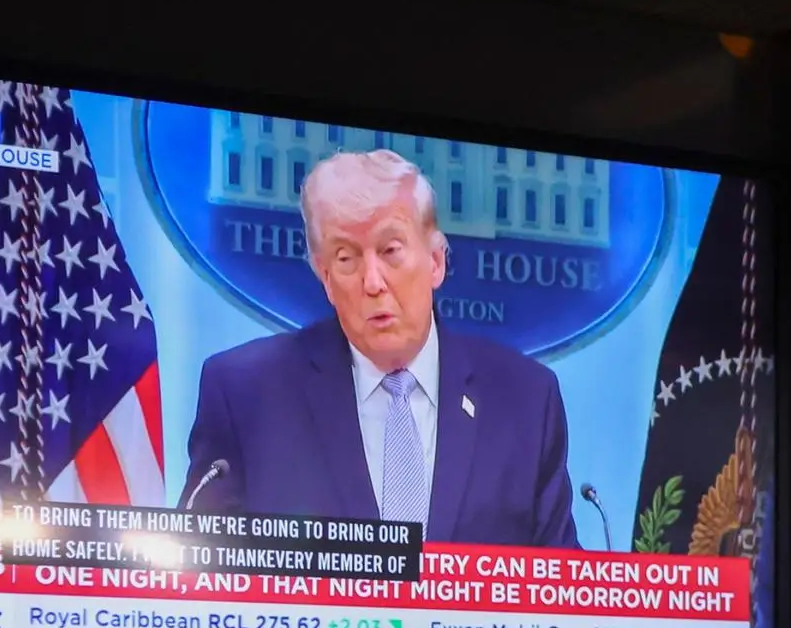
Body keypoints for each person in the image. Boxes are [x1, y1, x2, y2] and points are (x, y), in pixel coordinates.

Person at [180, 149, 580, 549]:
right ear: (325, 277)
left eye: (391, 251)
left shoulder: (525, 401)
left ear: (436, 261)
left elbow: (558, 590)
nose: (372, 281)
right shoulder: (245, 396)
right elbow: (199, 577)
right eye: (346, 257)